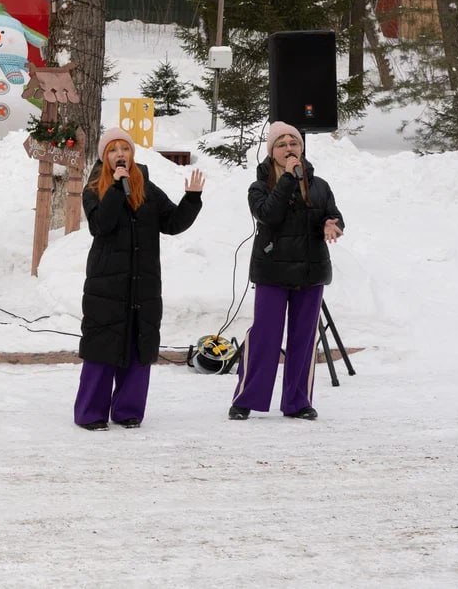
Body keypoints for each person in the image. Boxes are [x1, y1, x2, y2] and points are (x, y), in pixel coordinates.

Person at [74, 127, 204, 431]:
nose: (120, 155)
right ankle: (90, 413)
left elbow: (171, 223)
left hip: (143, 282)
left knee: (138, 344)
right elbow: (100, 226)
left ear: (132, 154)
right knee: (103, 345)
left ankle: (128, 410)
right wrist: (116, 188)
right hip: (106, 284)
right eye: (113, 150)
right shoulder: (94, 188)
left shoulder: (145, 186)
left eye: (125, 149)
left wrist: (192, 199)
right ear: (105, 157)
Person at [229, 122, 344, 422]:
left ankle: (297, 401)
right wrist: (289, 179)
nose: (289, 148)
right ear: (272, 152)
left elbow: (333, 215)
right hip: (273, 271)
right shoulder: (259, 187)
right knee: (265, 336)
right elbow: (269, 215)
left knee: (304, 338)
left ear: (301, 149)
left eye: (294, 143)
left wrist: (332, 224)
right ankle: (247, 398)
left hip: (310, 272)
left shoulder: (320, 186)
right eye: (282, 144)